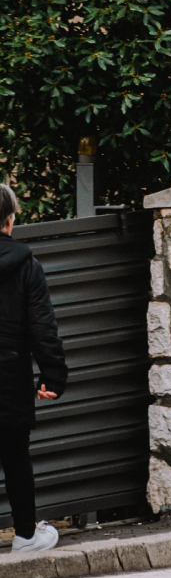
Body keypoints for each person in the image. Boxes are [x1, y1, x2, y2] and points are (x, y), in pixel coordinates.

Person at [0, 184, 67, 553]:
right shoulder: (27, 266)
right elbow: (43, 327)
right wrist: (53, 376)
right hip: (10, 377)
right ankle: (26, 535)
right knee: (15, 456)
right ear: (10, 220)